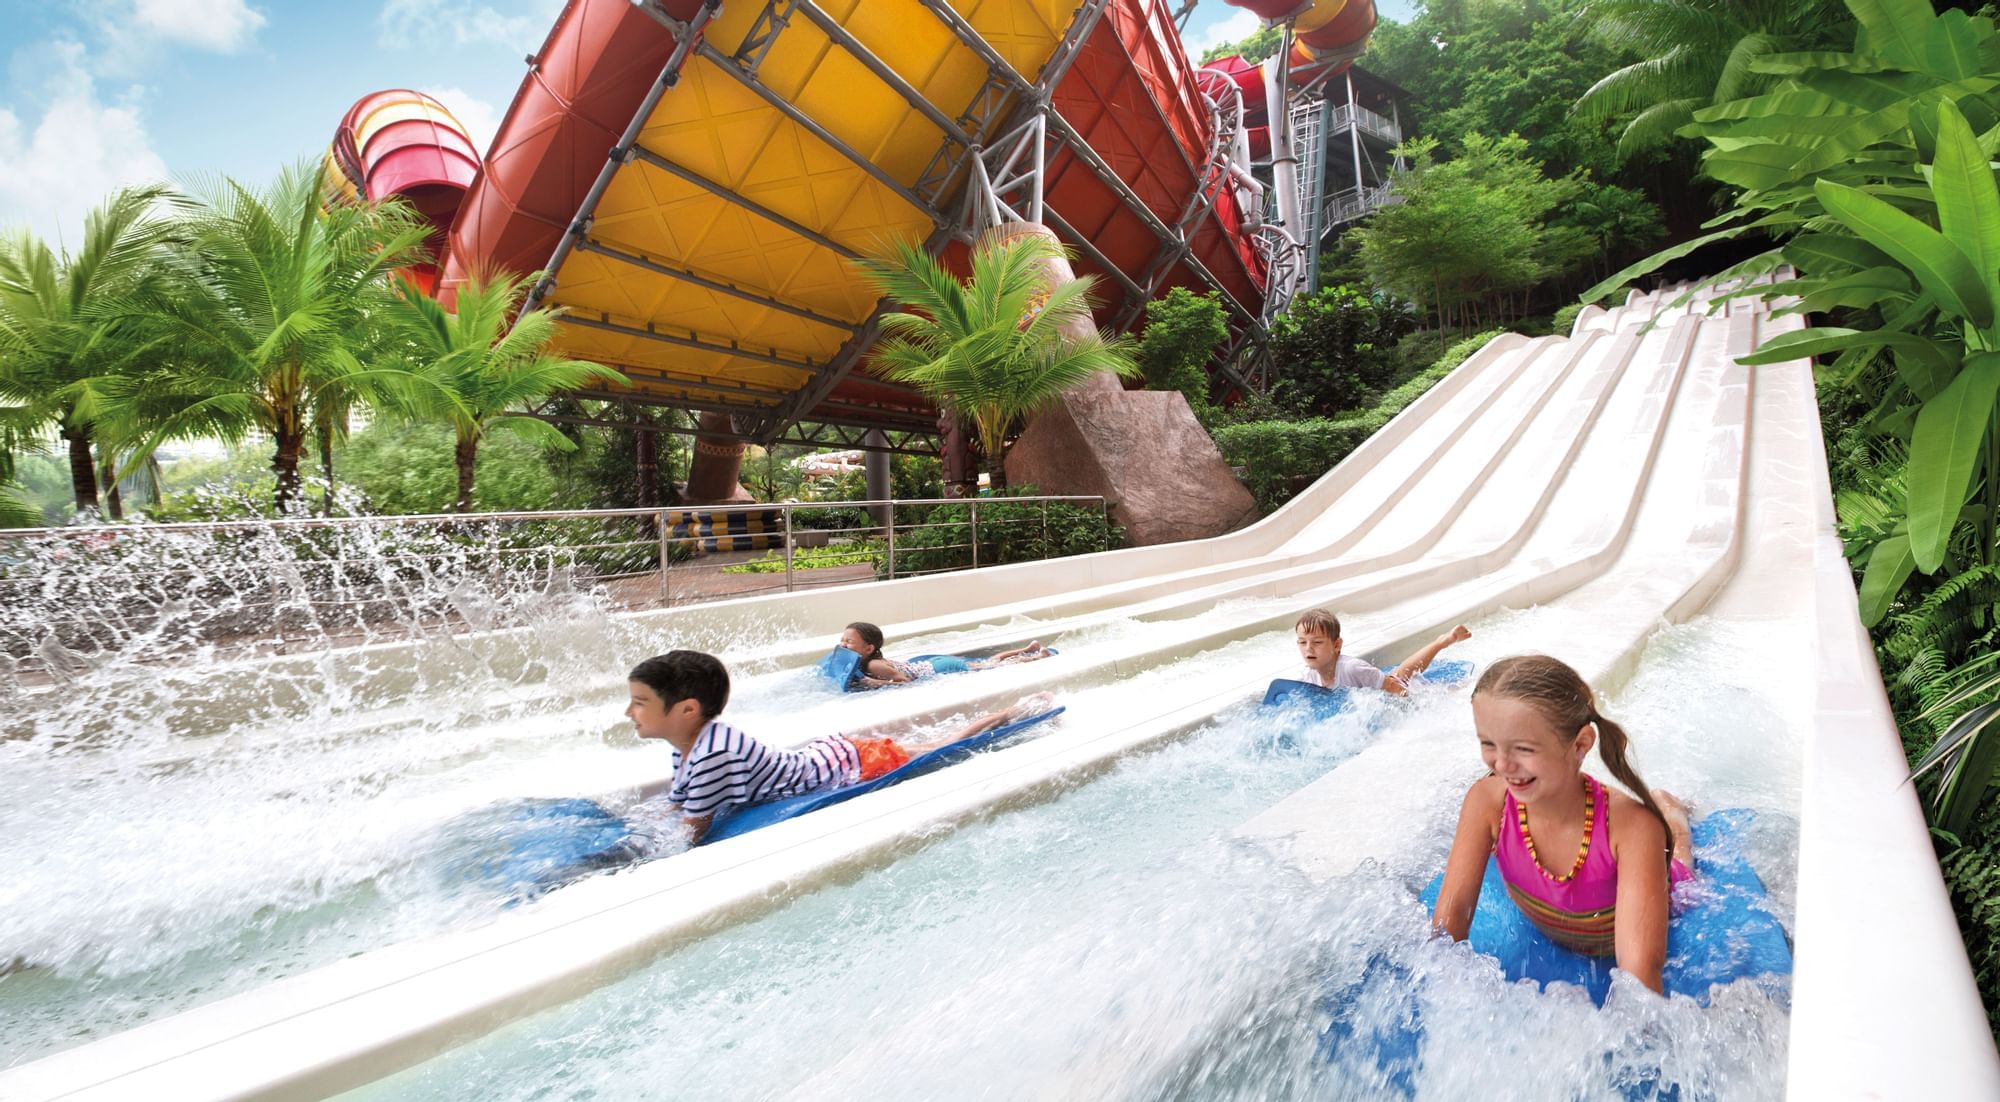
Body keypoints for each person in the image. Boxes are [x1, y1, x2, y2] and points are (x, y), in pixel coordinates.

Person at [1431, 655, 1695, 994]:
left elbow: (1640, 979)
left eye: (1523, 749)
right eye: (1488, 744)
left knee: (1677, 848)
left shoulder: (1632, 828)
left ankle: (1670, 808)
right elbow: (1445, 933)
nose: (1502, 764)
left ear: (1581, 744)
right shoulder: (1487, 802)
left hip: (1664, 883)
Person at [627, 650, 1052, 843]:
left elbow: (689, 833)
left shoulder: (711, 753)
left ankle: (1009, 713)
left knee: (940, 744)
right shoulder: (687, 742)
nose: (630, 712)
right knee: (926, 741)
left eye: (640, 702)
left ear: (686, 709)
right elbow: (679, 802)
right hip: (827, 754)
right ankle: (1004, 711)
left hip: (851, 764)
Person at [1291, 608, 1470, 696]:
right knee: (1398, 673)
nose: (1308, 648)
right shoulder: (1308, 676)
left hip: (1390, 688)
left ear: (1337, 645)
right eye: (1302, 642)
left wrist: (1414, 706)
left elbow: (1396, 688)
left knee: (1401, 677)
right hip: (1374, 685)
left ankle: (1441, 642)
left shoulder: (1352, 669)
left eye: (1317, 642)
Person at [837, 621, 1051, 688]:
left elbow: (904, 682)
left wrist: (873, 683)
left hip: (938, 668)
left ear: (868, 649)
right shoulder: (870, 661)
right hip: (932, 663)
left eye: (849, 641)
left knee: (989, 665)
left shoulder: (873, 666)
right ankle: (1027, 649)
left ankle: (1033, 658)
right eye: (843, 640)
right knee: (985, 662)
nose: (843, 645)